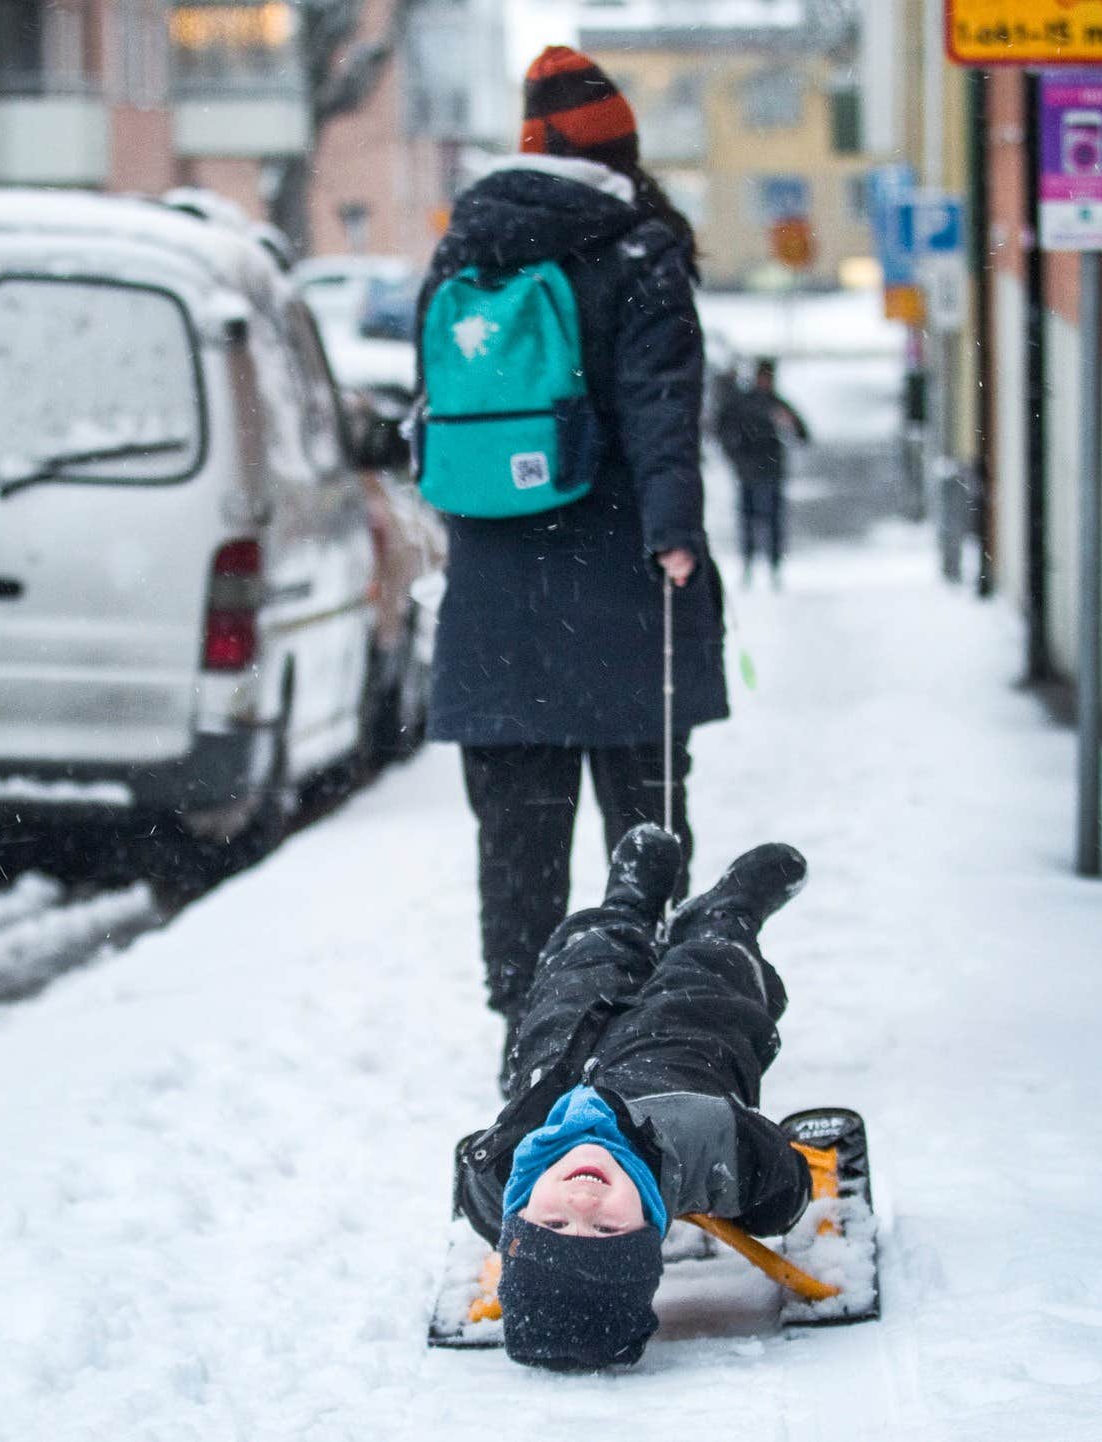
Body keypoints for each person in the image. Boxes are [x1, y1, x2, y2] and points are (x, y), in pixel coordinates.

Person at [416, 46, 727, 1056]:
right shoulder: (638, 249)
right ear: (623, 155)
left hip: (495, 590)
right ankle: (641, 1019)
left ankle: (527, 1023)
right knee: (642, 829)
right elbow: (659, 406)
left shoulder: (467, 247)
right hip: (621, 584)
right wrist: (674, 530)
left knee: (515, 834)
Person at [450, 823, 815, 1370]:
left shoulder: (498, 1178)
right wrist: (767, 1172)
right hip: (682, 1051)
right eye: (607, 1229)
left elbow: (470, 1171)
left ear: (519, 1215)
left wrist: (489, 1156)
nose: (582, 1206)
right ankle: (726, 916)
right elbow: (780, 1184)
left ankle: (628, 902)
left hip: (567, 1050)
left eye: (552, 1224)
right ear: (649, 1229)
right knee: (713, 980)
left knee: (577, 968)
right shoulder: (705, 1153)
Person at [714, 358, 812, 586]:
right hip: (750, 469)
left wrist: (788, 423)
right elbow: (724, 429)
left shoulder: (774, 404)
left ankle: (771, 566)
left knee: (769, 519)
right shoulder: (746, 403)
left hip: (768, 470)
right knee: (752, 519)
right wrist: (735, 454)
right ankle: (750, 564)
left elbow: (803, 434)